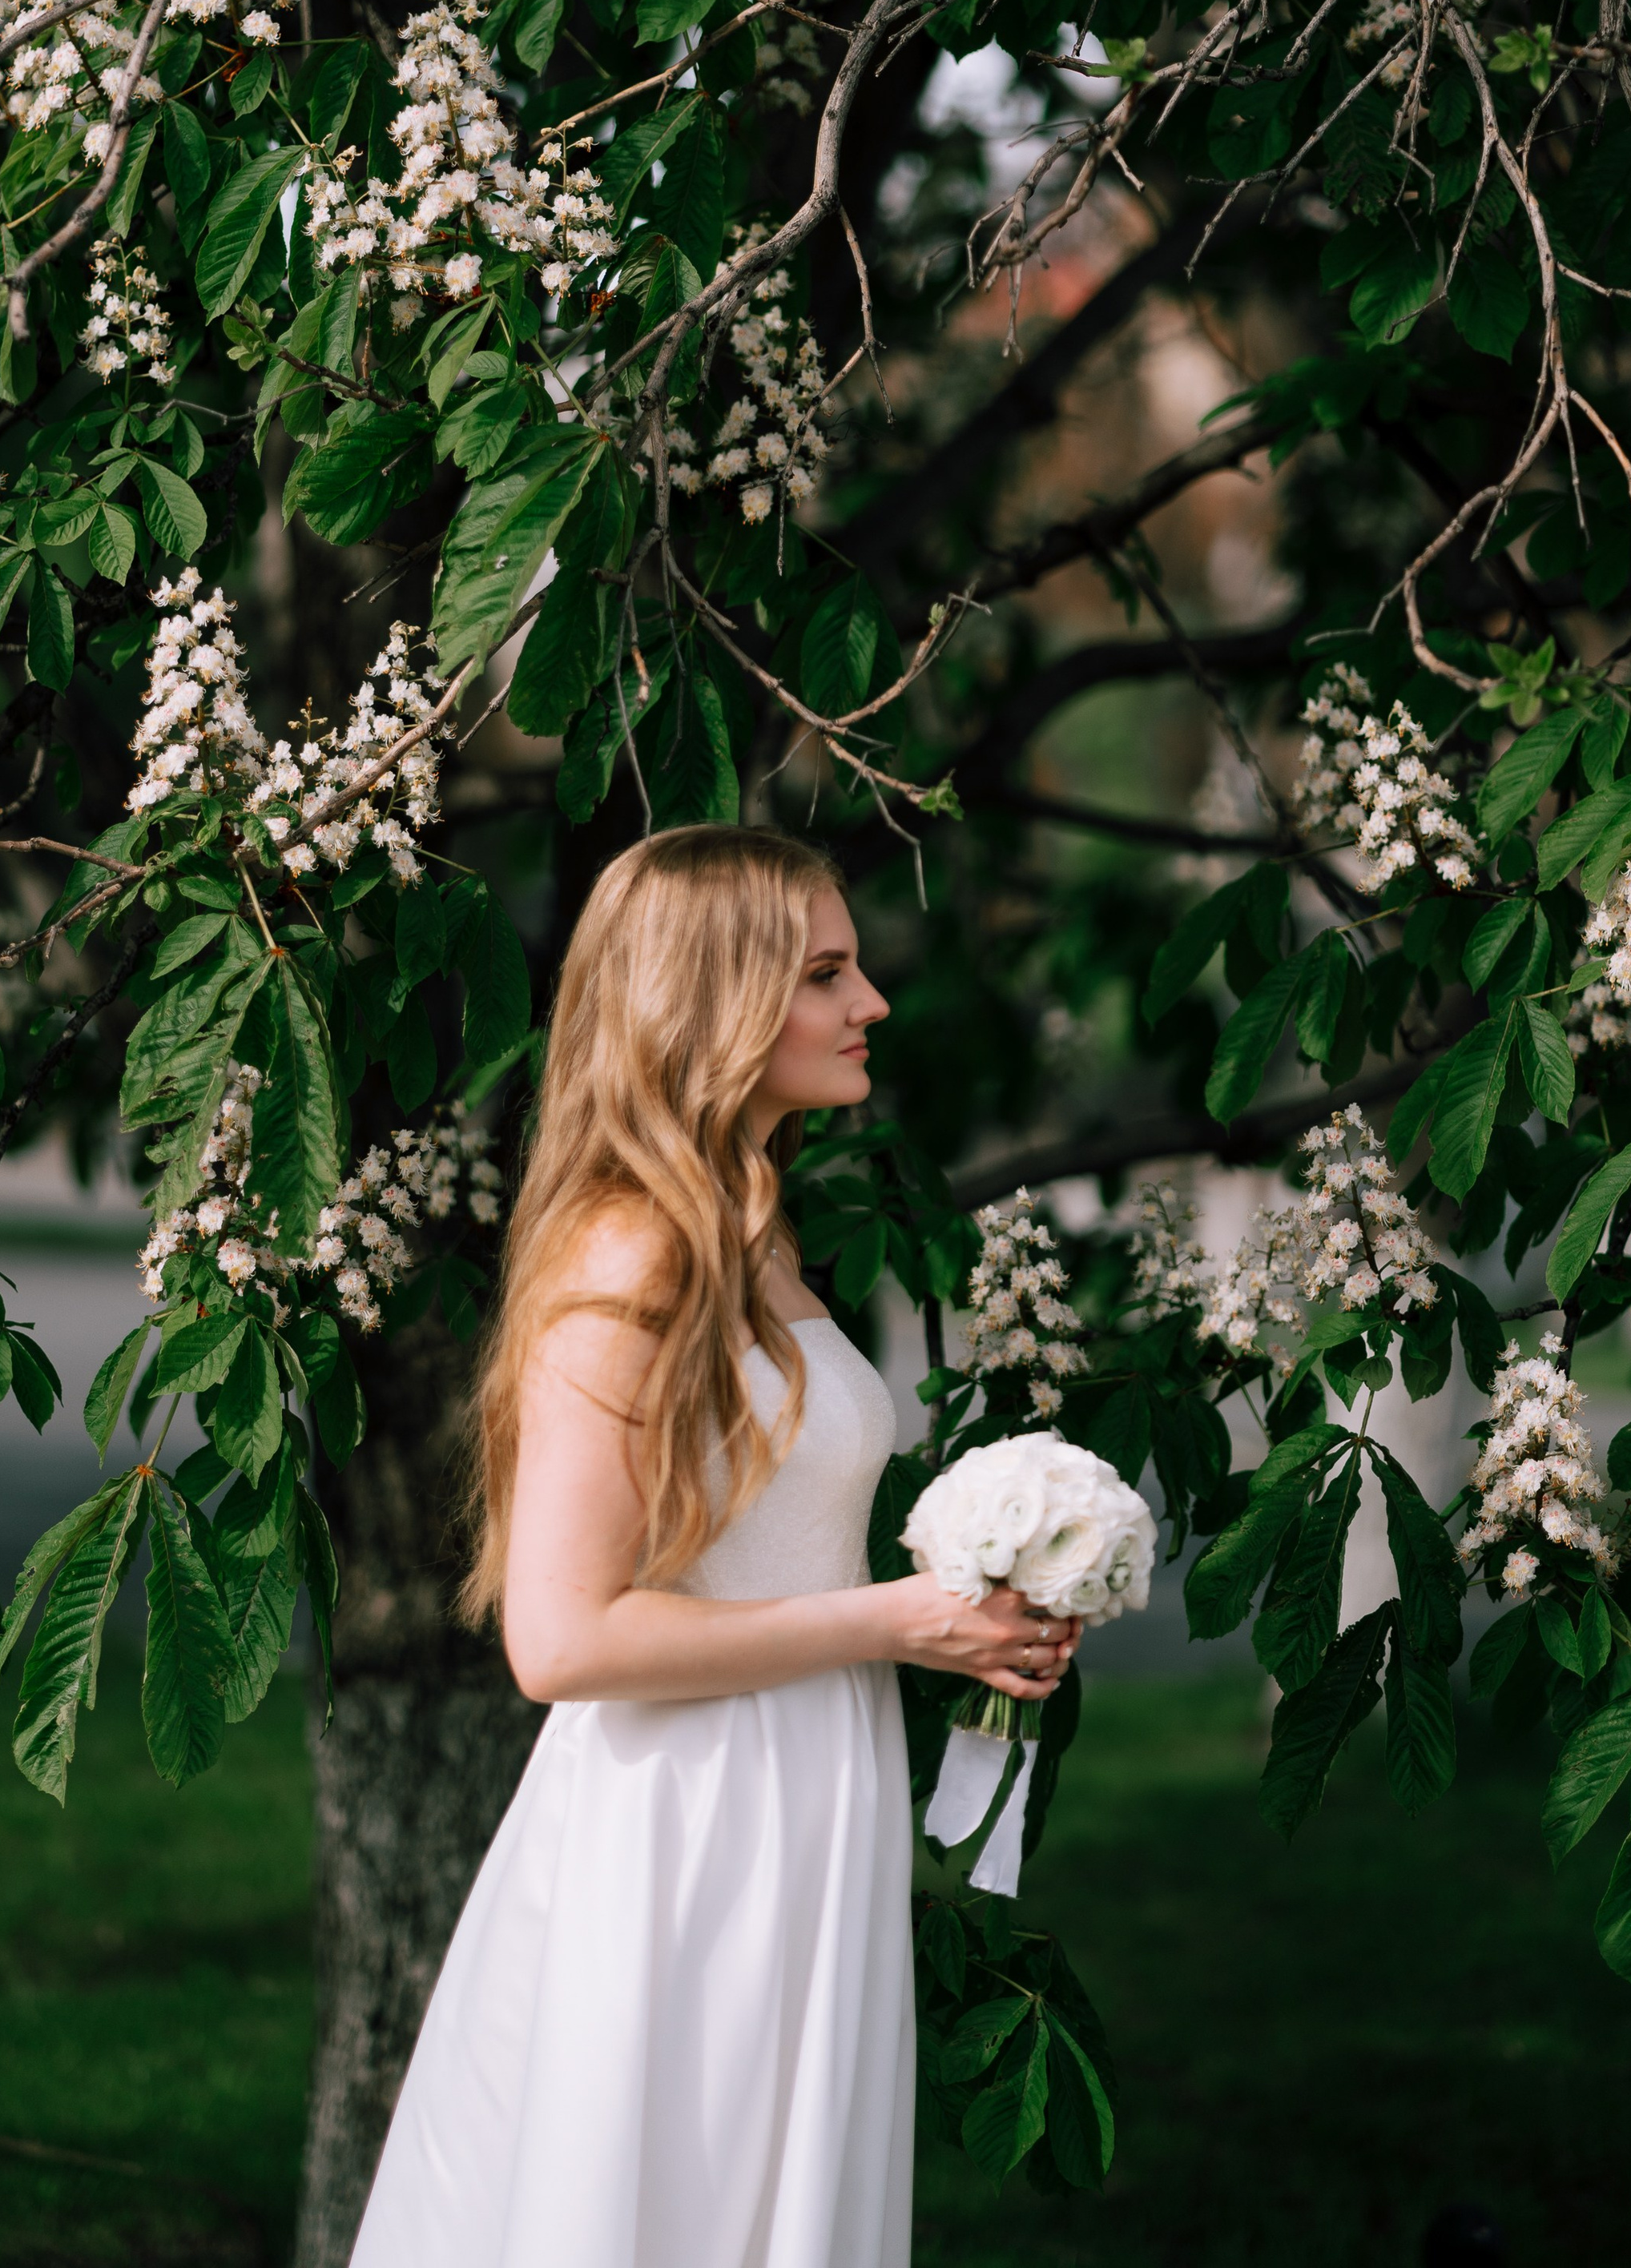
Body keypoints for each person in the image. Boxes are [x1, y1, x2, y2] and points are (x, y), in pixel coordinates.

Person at [349, 823, 1082, 2268]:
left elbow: (775, 1539)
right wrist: (901, 1623)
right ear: (711, 1002)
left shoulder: (756, 1227)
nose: (869, 1003)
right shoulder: (635, 1252)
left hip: (810, 1788)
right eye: (825, 973)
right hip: (691, 1821)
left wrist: (983, 1598)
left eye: (855, 968)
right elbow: (561, 1640)